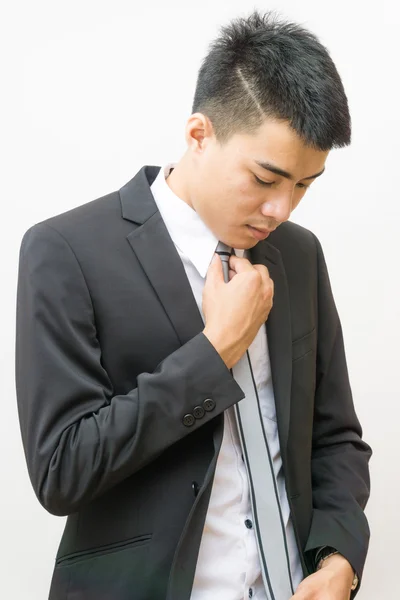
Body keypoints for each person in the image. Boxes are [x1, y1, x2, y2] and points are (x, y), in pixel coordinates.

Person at [15, 9, 372, 600]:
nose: (282, 208)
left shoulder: (300, 255)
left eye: (305, 185)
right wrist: (215, 351)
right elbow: (61, 470)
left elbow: (335, 437)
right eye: (265, 178)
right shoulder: (65, 251)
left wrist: (340, 557)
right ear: (199, 134)